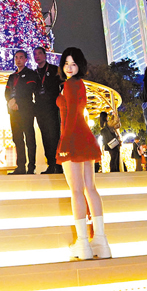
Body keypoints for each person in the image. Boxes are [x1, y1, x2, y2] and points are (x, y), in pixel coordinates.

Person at [56, 47, 109, 260]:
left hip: (73, 135)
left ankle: (83, 242)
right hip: (85, 135)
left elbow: (70, 116)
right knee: (90, 188)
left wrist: (65, 141)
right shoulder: (79, 84)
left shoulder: (70, 85)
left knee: (77, 190)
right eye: (66, 64)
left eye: (73, 64)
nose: (69, 67)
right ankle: (101, 241)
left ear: (80, 65)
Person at [4, 50, 39, 175]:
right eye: (16, 57)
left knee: (29, 138)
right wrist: (10, 102)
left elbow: (29, 90)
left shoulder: (30, 74)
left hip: (26, 110)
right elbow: (7, 92)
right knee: (17, 138)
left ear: (26, 59)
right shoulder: (12, 76)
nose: (18, 60)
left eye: (21, 57)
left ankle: (31, 166)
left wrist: (18, 102)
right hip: (13, 112)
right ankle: (20, 166)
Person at [33, 46, 63, 174]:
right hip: (40, 110)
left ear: (45, 55)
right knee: (45, 136)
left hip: (53, 108)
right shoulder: (34, 73)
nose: (37, 56)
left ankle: (59, 165)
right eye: (35, 54)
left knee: (55, 136)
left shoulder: (54, 70)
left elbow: (63, 85)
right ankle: (50, 164)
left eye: (40, 53)